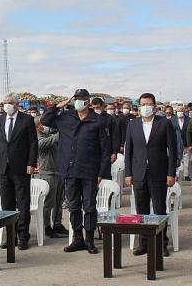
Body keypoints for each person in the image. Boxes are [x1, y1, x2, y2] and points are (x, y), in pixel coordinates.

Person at [42, 89, 111, 254]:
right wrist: (59, 105)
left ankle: (89, 239)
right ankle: (77, 238)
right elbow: (45, 120)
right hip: (70, 170)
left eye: (82, 99)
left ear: (88, 101)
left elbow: (105, 150)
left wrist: (101, 172)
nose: (79, 101)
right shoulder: (66, 117)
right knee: (73, 206)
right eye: (76, 98)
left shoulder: (97, 121)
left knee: (89, 207)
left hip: (89, 171)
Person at [124, 93, 178, 256]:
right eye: (143, 104)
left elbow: (172, 150)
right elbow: (129, 151)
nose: (145, 107)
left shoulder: (165, 123)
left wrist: (171, 173)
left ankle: (161, 243)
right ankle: (144, 243)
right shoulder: (133, 124)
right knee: (142, 210)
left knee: (160, 209)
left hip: (158, 173)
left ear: (154, 107)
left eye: (148, 104)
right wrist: (128, 173)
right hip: (139, 173)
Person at [0, 93, 38, 250]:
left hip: (21, 167)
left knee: (23, 203)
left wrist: (31, 163)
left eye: (10, 102)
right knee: (7, 204)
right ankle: (10, 237)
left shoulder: (27, 120)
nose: (7, 105)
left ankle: (23, 236)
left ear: (17, 104)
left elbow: (33, 143)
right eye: (5, 102)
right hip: (3, 168)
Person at [35, 116, 67, 238]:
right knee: (49, 202)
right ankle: (46, 226)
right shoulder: (38, 139)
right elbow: (51, 140)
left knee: (59, 201)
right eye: (40, 124)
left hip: (59, 172)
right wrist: (61, 132)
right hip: (47, 173)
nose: (43, 126)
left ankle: (57, 224)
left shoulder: (49, 135)